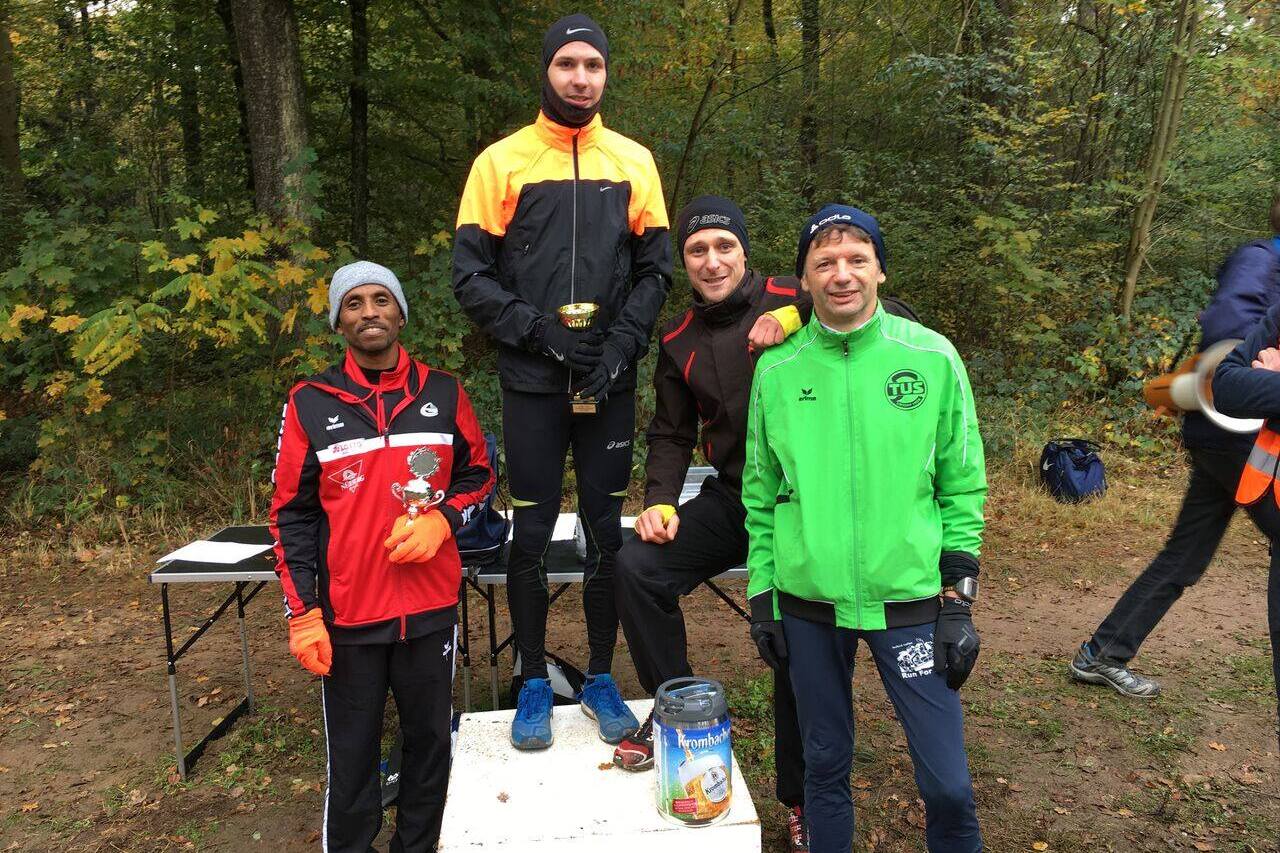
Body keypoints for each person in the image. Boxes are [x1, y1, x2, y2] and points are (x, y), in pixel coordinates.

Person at [612, 196, 922, 852]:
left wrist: (799, 313)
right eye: (697, 250)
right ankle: (679, 706)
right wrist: (659, 500)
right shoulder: (677, 339)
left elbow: (894, 314)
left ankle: (802, 796)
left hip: (813, 504)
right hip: (736, 498)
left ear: (745, 252)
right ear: (684, 262)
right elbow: (670, 432)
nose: (712, 261)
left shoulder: (799, 290)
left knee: (794, 632)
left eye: (724, 246)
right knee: (637, 565)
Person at [452, 12, 671, 751]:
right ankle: (533, 681)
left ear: (607, 74)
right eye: (567, 64)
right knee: (531, 532)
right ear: (546, 71)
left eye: (593, 66)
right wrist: (540, 332)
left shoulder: (634, 160)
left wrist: (621, 348)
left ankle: (602, 676)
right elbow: (469, 276)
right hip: (532, 380)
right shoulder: (500, 162)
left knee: (606, 531)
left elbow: (656, 272)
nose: (581, 78)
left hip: (607, 381)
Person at [743, 205, 987, 853]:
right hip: (808, 603)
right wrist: (763, 597)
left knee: (949, 786)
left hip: (910, 598)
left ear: (880, 270)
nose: (842, 274)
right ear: (804, 279)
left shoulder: (931, 356)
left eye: (857, 259)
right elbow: (761, 492)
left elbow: (962, 482)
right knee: (823, 767)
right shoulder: (777, 369)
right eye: (824, 262)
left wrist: (958, 597)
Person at [269, 261, 494, 852]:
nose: (369, 312)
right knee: (352, 758)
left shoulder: (444, 393)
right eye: (354, 303)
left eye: (381, 299)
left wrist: (445, 520)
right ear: (338, 322)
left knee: (429, 747)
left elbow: (480, 477)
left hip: (430, 610)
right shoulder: (310, 401)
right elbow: (290, 515)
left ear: (400, 313)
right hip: (349, 617)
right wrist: (304, 613)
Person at [1070, 194, 1280, 698]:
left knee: (1186, 554)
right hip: (1234, 434)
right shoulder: (1263, 259)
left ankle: (1102, 654)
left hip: (1230, 434)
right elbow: (1227, 331)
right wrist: (1262, 368)